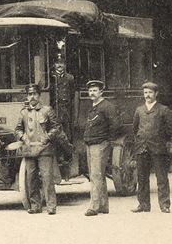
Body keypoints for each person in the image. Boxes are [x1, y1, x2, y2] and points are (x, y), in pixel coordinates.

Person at [131, 82, 172, 214]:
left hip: (158, 148)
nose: (147, 95)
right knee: (142, 178)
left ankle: (164, 205)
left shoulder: (163, 110)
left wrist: (161, 141)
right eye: (145, 93)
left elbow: (171, 129)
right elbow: (135, 129)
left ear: (156, 94)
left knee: (161, 177)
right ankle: (143, 205)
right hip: (142, 148)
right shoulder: (139, 110)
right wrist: (140, 141)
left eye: (150, 92)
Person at [15, 84, 61, 215]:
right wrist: (23, 137)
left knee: (47, 178)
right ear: (27, 96)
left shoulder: (47, 110)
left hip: (44, 150)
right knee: (31, 179)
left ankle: (51, 206)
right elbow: (17, 129)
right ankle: (35, 206)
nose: (32, 97)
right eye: (30, 94)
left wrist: (47, 137)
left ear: (39, 96)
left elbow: (56, 127)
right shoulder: (23, 112)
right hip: (29, 150)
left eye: (35, 94)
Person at [83, 80, 121, 217]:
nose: (92, 93)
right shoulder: (93, 106)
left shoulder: (107, 106)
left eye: (95, 90)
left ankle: (93, 207)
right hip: (91, 144)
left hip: (100, 144)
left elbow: (115, 125)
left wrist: (107, 141)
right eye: (90, 91)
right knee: (98, 175)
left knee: (95, 175)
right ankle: (103, 206)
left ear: (101, 92)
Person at [50, 54, 76, 178]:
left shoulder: (70, 78)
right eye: (57, 63)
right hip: (54, 110)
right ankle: (59, 158)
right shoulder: (50, 77)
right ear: (54, 65)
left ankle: (67, 159)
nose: (59, 65)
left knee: (66, 133)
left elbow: (72, 95)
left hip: (65, 110)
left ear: (65, 65)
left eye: (62, 63)